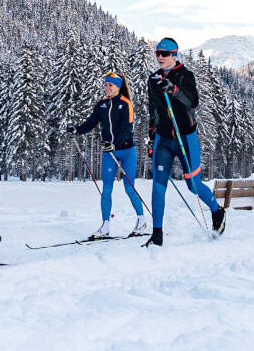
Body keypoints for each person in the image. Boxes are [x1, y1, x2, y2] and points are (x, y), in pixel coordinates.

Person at [144, 38, 225, 244]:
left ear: (174, 54)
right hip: (163, 140)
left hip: (185, 138)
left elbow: (193, 101)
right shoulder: (153, 79)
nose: (160, 57)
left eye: (164, 53)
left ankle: (217, 211)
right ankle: (157, 234)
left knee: (193, 185)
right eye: (157, 53)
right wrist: (152, 137)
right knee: (158, 186)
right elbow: (153, 110)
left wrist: (173, 89)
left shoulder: (185, 75)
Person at [70, 72, 147, 237]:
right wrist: (77, 130)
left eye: (110, 85)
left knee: (129, 188)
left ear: (117, 87)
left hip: (126, 151)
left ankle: (141, 220)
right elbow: (91, 122)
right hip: (108, 153)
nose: (107, 88)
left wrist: (115, 144)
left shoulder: (126, 104)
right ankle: (105, 226)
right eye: (105, 84)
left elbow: (128, 129)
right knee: (106, 190)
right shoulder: (102, 105)